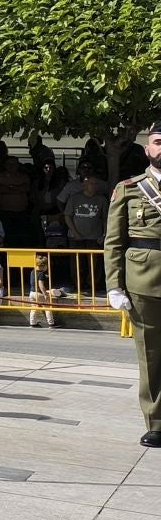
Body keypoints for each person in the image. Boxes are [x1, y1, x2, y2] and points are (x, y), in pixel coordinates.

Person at [106, 123, 161, 446]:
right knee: (151, 353)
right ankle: (156, 421)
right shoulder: (129, 188)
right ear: (147, 149)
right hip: (143, 280)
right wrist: (114, 285)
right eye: (157, 142)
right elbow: (114, 242)